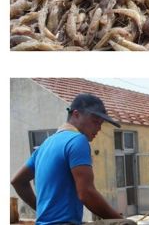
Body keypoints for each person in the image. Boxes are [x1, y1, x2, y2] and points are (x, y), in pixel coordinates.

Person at [11, 93, 135, 225]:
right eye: (95, 121)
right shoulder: (77, 140)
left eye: (101, 124)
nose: (98, 128)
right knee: (128, 224)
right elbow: (86, 194)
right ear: (76, 114)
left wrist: (42, 211)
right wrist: (120, 220)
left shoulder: (46, 144)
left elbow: (17, 181)